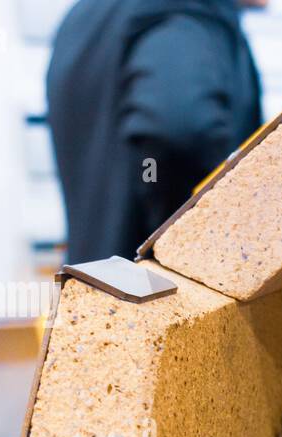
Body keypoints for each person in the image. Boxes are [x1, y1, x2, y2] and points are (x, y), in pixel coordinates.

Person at [47, 0, 264, 264]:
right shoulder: (186, 9)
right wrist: (182, 243)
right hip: (159, 292)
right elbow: (179, 130)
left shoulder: (86, 18)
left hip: (93, 286)